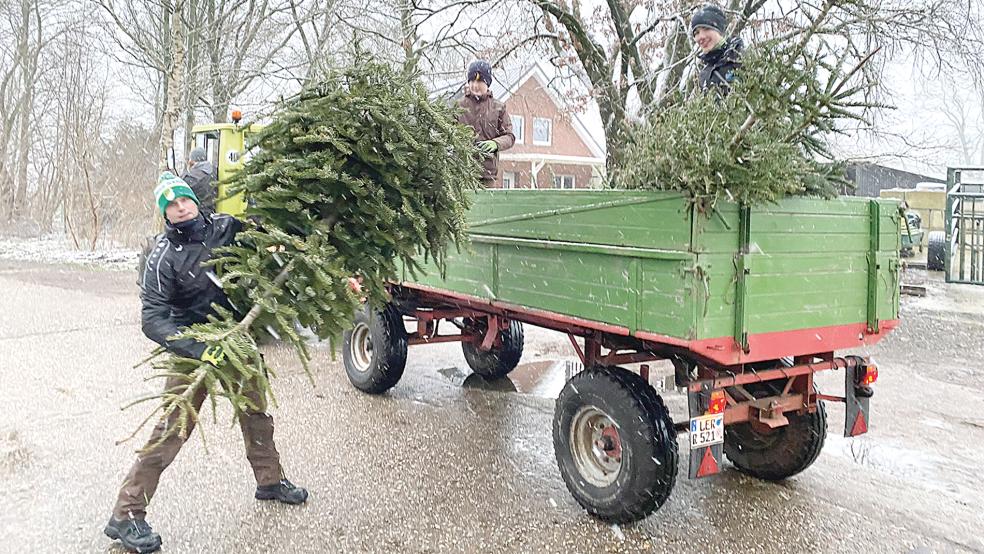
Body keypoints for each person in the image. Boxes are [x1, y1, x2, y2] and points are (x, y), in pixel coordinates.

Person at [105, 172, 307, 554]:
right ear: (165, 212)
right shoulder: (162, 257)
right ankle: (125, 514)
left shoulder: (224, 228)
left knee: (255, 412)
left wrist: (294, 229)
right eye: (171, 204)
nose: (181, 207)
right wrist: (196, 348)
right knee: (173, 428)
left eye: (184, 199)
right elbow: (153, 319)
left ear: (194, 201)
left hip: (234, 336)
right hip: (191, 347)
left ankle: (269, 480)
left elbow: (263, 236)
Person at [457, 60, 516, 186]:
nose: (475, 85)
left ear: (487, 83)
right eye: (472, 81)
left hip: (487, 175)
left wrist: (495, 143)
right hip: (461, 172)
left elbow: (509, 136)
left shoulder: (498, 108)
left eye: (479, 81)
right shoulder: (458, 107)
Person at [691, 4, 743, 95]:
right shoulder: (704, 76)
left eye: (706, 28)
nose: (700, 37)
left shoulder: (741, 57)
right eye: (696, 33)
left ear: (719, 30)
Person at [181, 147, 217, 213]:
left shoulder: (191, 177)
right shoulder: (214, 172)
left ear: (192, 160)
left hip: (197, 214)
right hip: (212, 212)